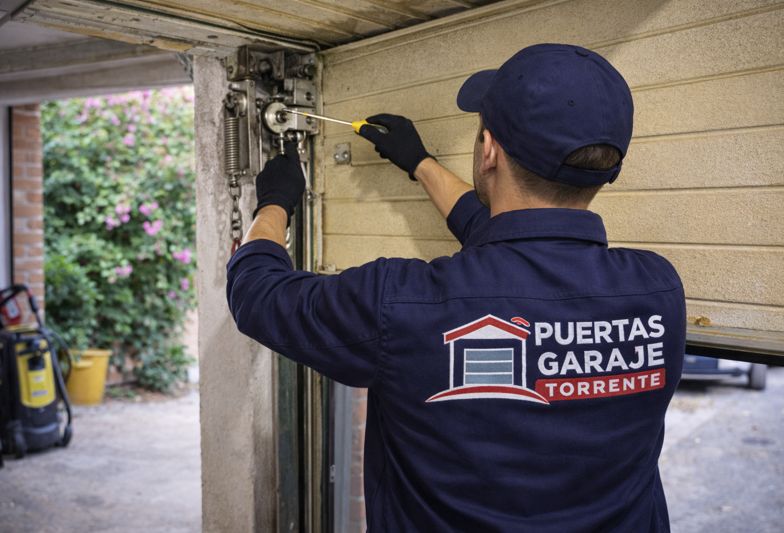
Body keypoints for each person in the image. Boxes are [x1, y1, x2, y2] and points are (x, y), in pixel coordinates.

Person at [227, 43, 685, 532]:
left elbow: (256, 291)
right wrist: (419, 162)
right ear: (609, 166)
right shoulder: (658, 293)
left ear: (488, 151)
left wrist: (274, 202)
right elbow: (513, 242)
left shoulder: (403, 304)